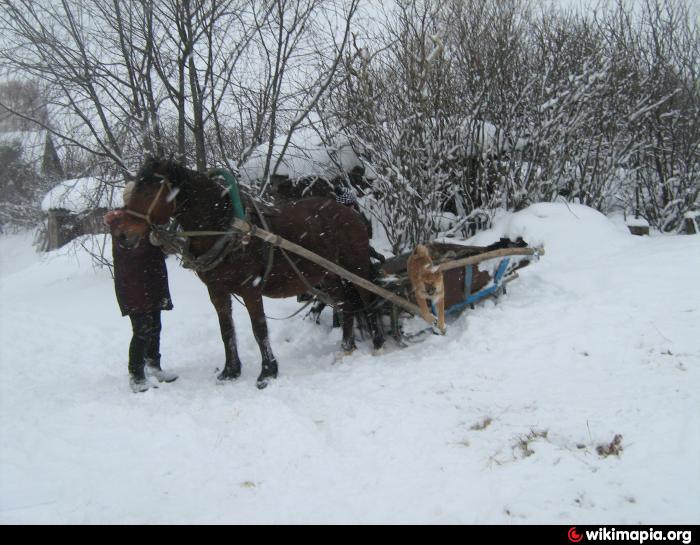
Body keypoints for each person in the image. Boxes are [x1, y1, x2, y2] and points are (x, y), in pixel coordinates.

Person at [103, 208, 178, 393]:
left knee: (155, 327)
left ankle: (154, 366)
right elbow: (133, 250)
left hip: (151, 284)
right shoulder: (121, 224)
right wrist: (151, 240)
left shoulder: (146, 221)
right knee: (142, 331)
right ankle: (136, 376)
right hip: (134, 287)